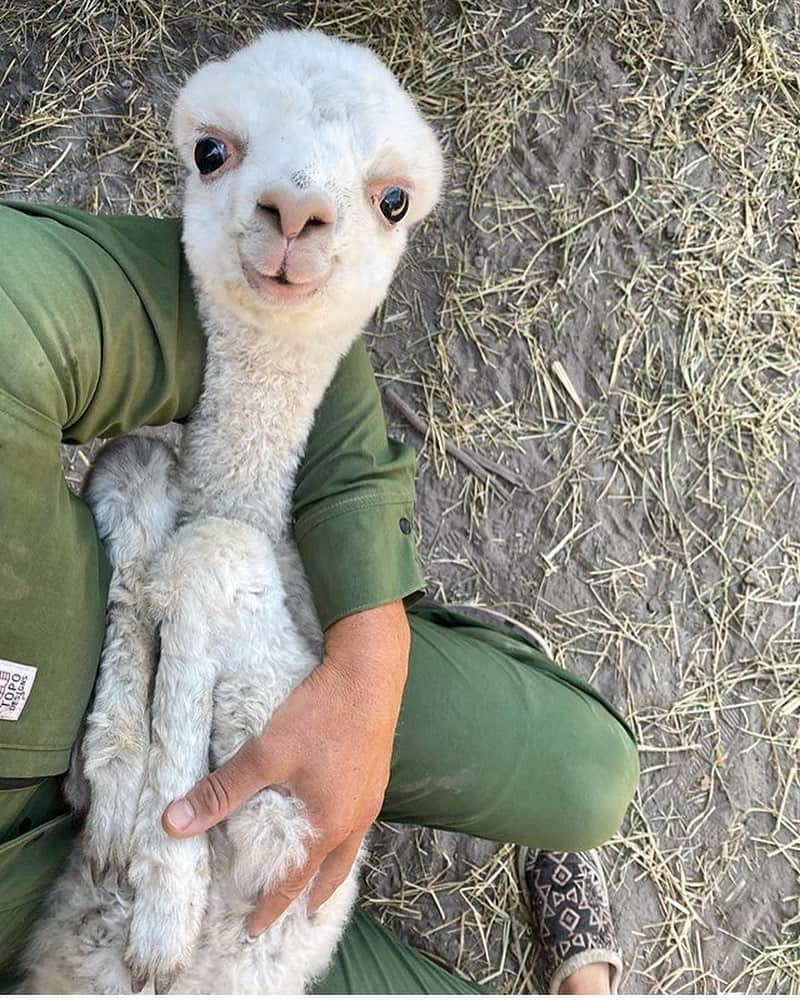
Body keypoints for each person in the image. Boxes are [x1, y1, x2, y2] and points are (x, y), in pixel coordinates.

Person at [0, 201, 639, 993]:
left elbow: (272, 317)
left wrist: (368, 650)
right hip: (86, 943)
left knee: (589, 778)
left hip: (217, 624)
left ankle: (415, 637)